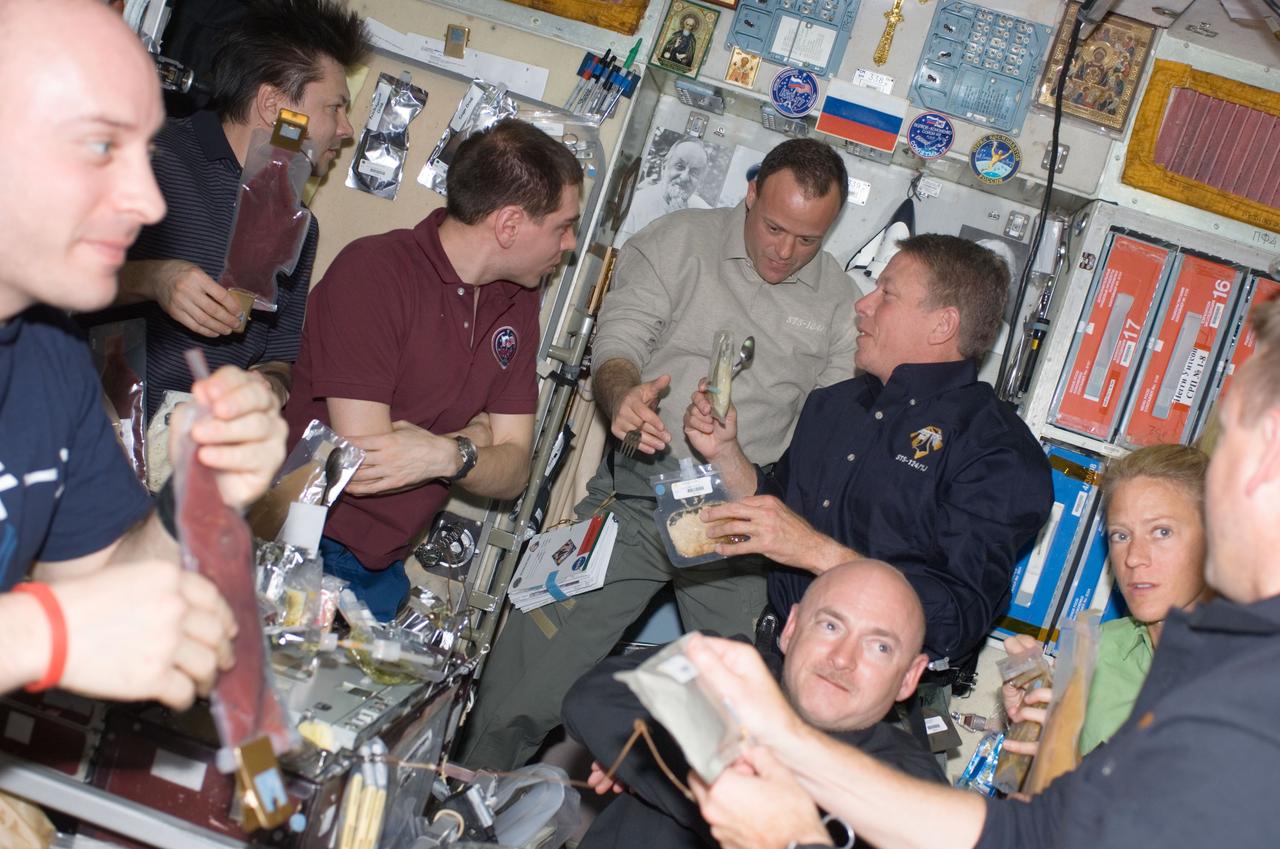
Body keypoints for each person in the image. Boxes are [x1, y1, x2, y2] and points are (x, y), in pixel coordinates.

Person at [684, 296, 1280, 849]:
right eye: (1119, 534)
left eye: (1232, 447)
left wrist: (800, 835)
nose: (1135, 557)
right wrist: (785, 743)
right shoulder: (1159, 656)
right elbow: (1030, 828)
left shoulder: (1248, 695)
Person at [460, 138, 859, 771]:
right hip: (644, 494)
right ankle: (456, 803)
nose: (785, 252)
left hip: (743, 529)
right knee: (529, 675)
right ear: (750, 193)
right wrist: (623, 398)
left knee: (739, 725)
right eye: (775, 228)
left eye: (807, 239)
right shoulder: (677, 241)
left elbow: (831, 436)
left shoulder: (841, 303)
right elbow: (618, 345)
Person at [0, 0, 286, 707]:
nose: (148, 202)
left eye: (146, 155)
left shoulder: (48, 352)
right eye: (101, 146)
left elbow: (98, 583)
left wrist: (192, 493)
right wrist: (43, 634)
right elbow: (65, 620)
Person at [683, 235, 1053, 682]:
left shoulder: (997, 451)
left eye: (887, 294)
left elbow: (955, 617)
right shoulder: (834, 405)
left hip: (874, 693)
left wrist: (817, 552)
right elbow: (777, 514)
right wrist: (725, 452)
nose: (864, 305)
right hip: (776, 655)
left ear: (942, 325)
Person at [283, 118, 583, 620]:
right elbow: (368, 467)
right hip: (302, 543)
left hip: (382, 564)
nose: (570, 243)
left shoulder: (517, 301)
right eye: (563, 226)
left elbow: (515, 471)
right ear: (509, 225)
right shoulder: (376, 272)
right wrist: (480, 435)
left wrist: (448, 454)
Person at [100, 0, 369, 416]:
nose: (347, 129)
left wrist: (269, 386)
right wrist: (153, 279)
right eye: (334, 107)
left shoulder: (299, 222)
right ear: (273, 105)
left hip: (192, 458)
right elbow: (36, 277)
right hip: (80, 427)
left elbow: (279, 360)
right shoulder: (151, 153)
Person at [563, 560, 943, 849]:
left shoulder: (911, 785)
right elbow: (595, 698)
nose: (843, 658)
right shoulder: (733, 662)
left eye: (879, 647)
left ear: (909, 677)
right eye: (830, 626)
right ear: (791, 628)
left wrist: (661, 759)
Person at [1004, 443, 1212, 758]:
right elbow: (1046, 794)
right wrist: (1031, 729)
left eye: (1162, 532)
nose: (1134, 558)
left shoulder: (1255, 671)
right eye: (1121, 535)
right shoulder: (1099, 650)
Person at [616, 138, 711, 245]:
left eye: (694, 172)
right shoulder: (636, 204)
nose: (685, 177)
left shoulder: (706, 214)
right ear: (664, 166)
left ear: (701, 180)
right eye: (680, 166)